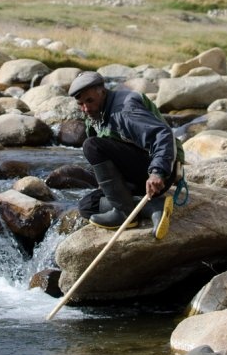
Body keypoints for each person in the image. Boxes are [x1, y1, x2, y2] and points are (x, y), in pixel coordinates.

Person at [69, 71, 182, 238]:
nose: (85, 108)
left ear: (102, 92)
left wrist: (157, 172)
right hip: (134, 174)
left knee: (91, 145)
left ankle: (123, 211)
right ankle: (151, 206)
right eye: (80, 104)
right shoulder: (95, 114)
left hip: (156, 174)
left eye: (90, 101)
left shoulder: (125, 110)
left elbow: (162, 135)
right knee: (87, 206)